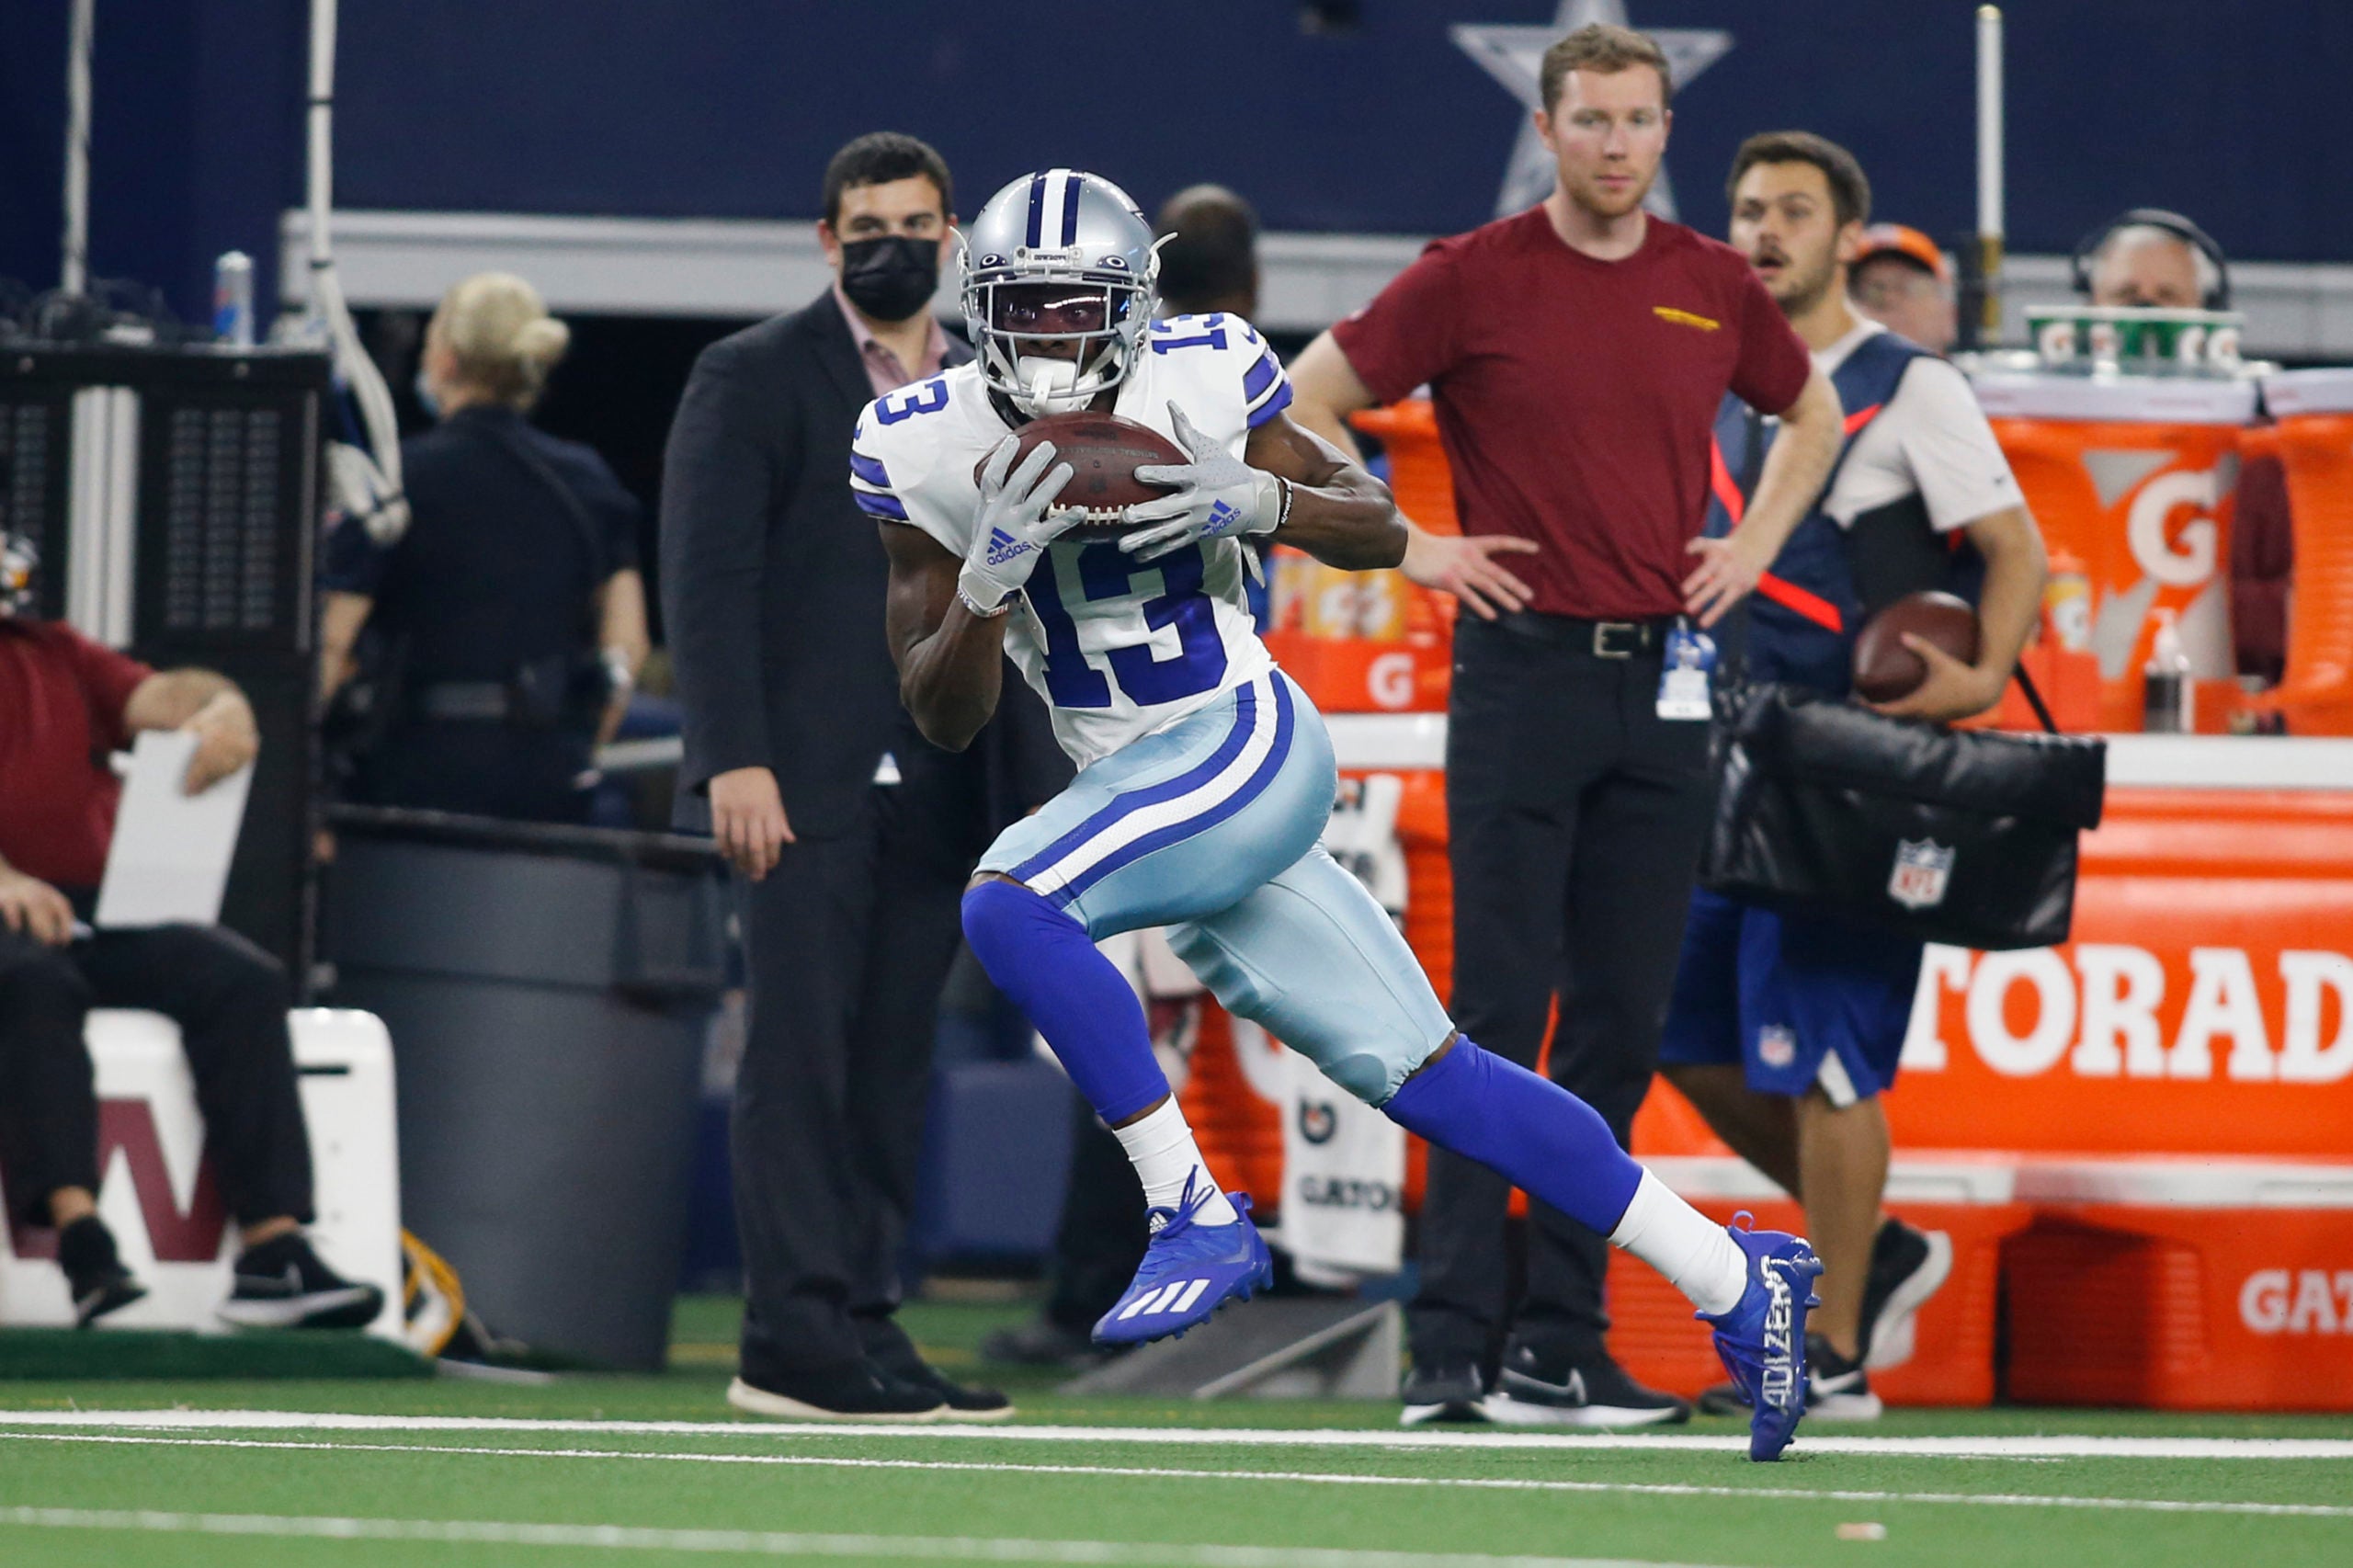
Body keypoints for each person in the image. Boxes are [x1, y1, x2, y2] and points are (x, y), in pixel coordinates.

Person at [857, 164, 1825, 1463]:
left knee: (1011, 901)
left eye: (1074, 308)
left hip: (1239, 740)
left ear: (1135, 304)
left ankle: (1190, 1206)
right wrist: (985, 583)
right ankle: (1732, 1276)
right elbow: (944, 714)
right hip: (1137, 789)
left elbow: (1375, 523)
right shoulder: (917, 441)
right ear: (976, 308)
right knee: (1440, 1079)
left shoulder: (1205, 370)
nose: (1046, 340)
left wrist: (1258, 502)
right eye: (1020, 311)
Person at [1284, 21, 1844, 1428]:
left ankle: (1561, 1344)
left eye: (1639, 121)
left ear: (1667, 132)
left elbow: (1817, 410)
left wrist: (1754, 542)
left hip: (1665, 685)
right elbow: (1293, 405)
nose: (1614, 145)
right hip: (1522, 677)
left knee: (1617, 1025)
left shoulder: (1712, 284)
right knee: (1490, 1019)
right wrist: (1409, 546)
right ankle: (1450, 1348)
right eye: (1590, 120)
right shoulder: (1471, 277)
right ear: (1550, 127)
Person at [664, 131, 1063, 1424]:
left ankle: (867, 1317)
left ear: (953, 240)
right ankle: (788, 1338)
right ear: (828, 241)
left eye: (917, 220)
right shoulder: (753, 377)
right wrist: (732, 755)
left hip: (947, 783)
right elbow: (707, 582)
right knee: (799, 1058)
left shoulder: (995, 389)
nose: (893, 239)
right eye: (866, 221)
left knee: (896, 1062)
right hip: (798, 778)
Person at [1660, 131, 2047, 1420]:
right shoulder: (1721, 380)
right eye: (1748, 209)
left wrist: (1983, 676)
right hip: (1729, 764)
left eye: (1794, 212)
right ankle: (1874, 1250)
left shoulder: (1909, 384)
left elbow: (2015, 551)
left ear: (1846, 236)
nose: (1765, 230)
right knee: (1688, 1038)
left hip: (1855, 773)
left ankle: (1831, 1353)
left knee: (1827, 1056)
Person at [0, 539, 385, 1331]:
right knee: (35, 983)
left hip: (79, 909)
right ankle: (82, 1243)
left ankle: (274, 1252)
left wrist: (223, 708)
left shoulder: (49, 650)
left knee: (235, 977)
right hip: (13, 924)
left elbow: (164, 697)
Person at [319, 273, 648, 823]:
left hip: (407, 783)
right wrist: (579, 750)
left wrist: (300, 785)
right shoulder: (588, 481)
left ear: (445, 359)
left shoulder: (397, 480)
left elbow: (333, 640)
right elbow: (627, 646)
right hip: (546, 780)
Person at [1847, 224, 1956, 354]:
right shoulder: (1824, 372)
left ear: (1949, 313)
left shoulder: (1971, 374)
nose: (1890, 299)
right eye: (1875, 291)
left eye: (1908, 288)